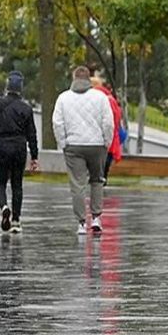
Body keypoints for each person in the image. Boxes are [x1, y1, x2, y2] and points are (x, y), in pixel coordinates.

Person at [53, 65, 114, 236]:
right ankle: (96, 218)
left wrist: (63, 143)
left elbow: (57, 123)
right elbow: (108, 122)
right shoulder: (101, 98)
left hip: (73, 146)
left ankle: (81, 222)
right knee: (97, 181)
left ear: (73, 78)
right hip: (97, 145)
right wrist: (106, 143)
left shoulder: (63, 98)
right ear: (89, 79)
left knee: (77, 184)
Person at [0, 70, 39, 233]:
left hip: (1, 145)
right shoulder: (26, 108)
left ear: (7, 86)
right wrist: (34, 156)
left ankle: (4, 207)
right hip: (19, 147)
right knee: (17, 185)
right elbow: (32, 134)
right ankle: (16, 220)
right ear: (21, 88)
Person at [90, 75, 123, 181]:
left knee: (96, 173)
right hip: (110, 140)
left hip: (98, 140)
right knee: (103, 173)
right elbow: (116, 118)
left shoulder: (95, 99)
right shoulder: (109, 98)